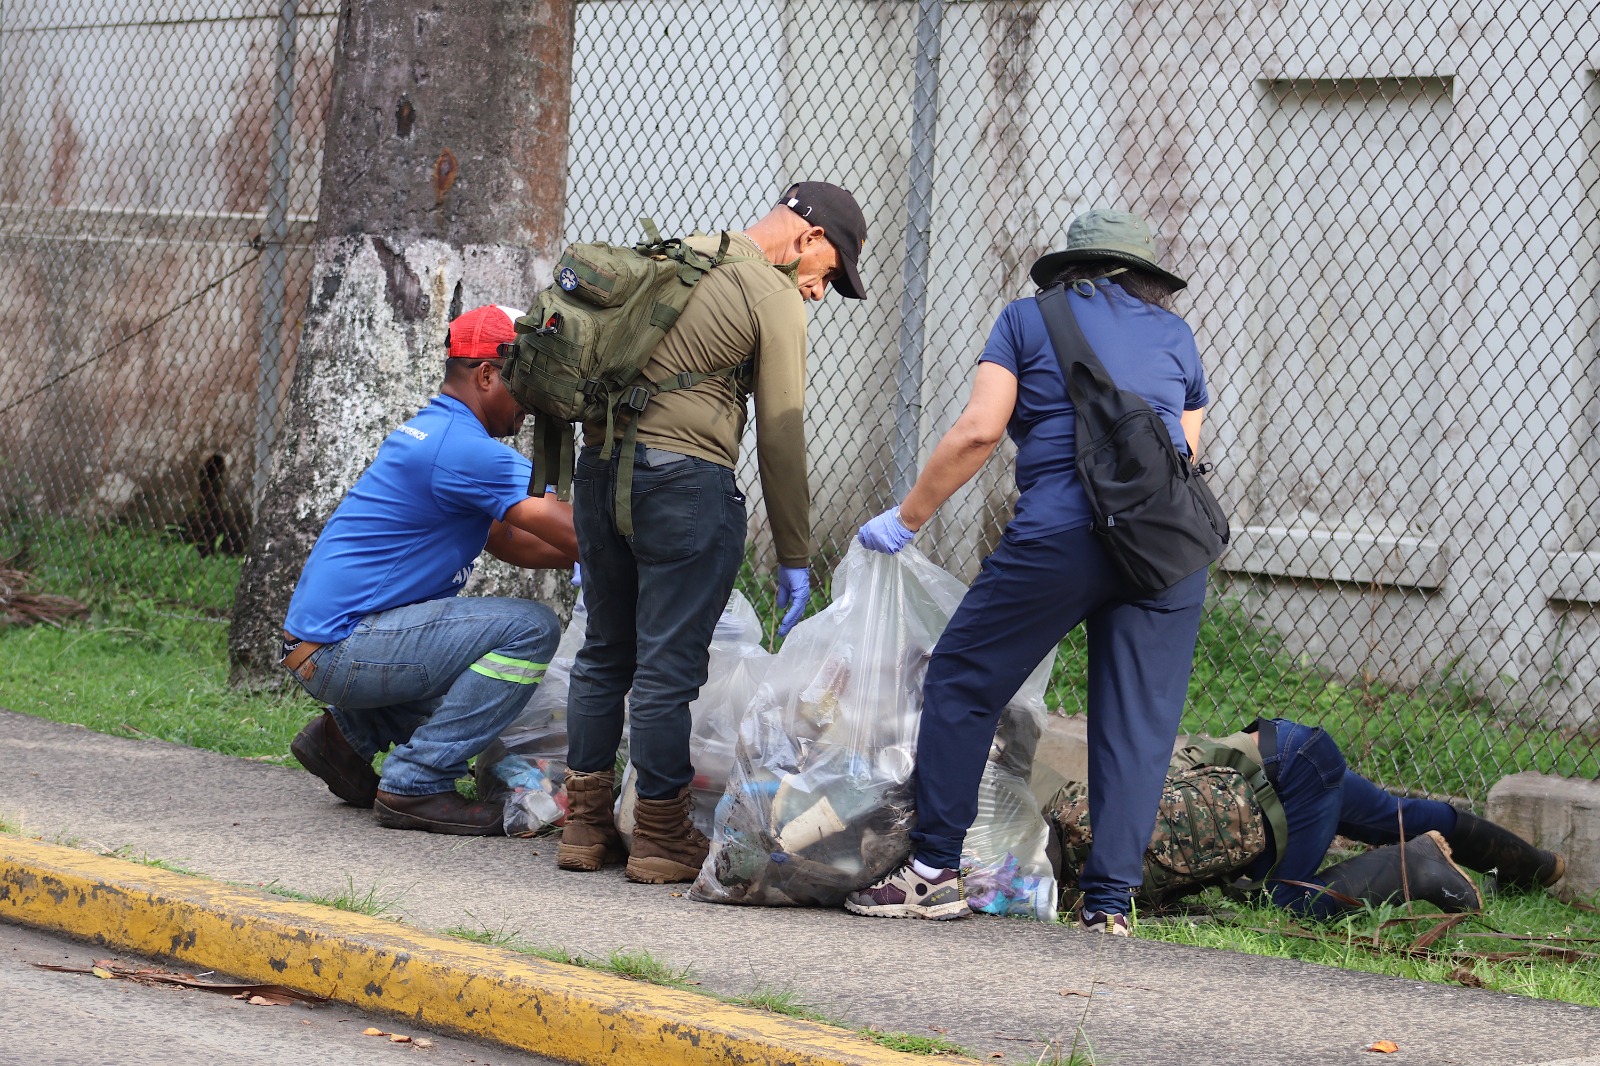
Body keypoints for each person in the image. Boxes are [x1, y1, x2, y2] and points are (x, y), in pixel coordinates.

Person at [845, 208, 1208, 933]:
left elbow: (979, 430)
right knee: (1137, 724)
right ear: (1143, 276)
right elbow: (1186, 455)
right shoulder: (1177, 335)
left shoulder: (1025, 320)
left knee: (962, 677)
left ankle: (932, 872)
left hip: (1063, 531)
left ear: (1069, 268)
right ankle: (1109, 906)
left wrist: (907, 517)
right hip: (1169, 546)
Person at [559, 181, 869, 884]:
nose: (821, 292)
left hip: (600, 473)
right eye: (830, 275)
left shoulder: (676, 255)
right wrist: (795, 553)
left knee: (604, 651)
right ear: (808, 240)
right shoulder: (771, 293)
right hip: (684, 487)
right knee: (667, 666)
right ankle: (661, 837)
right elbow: (782, 436)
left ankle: (583, 826)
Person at [282, 305, 579, 835]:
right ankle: (415, 784)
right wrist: (644, 550)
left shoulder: (438, 431)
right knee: (531, 630)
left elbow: (506, 537)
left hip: (328, 645)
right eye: (527, 380)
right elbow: (575, 529)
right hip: (343, 649)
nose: (532, 402)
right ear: (487, 375)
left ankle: (345, 737)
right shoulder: (465, 449)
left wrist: (581, 556)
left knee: (486, 697)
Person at [1049, 716, 1566, 920]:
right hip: (1287, 749)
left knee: (1287, 903)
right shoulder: (1075, 810)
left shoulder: (1091, 860)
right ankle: (1538, 868)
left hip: (1289, 774)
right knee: (1398, 816)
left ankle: (1418, 865)